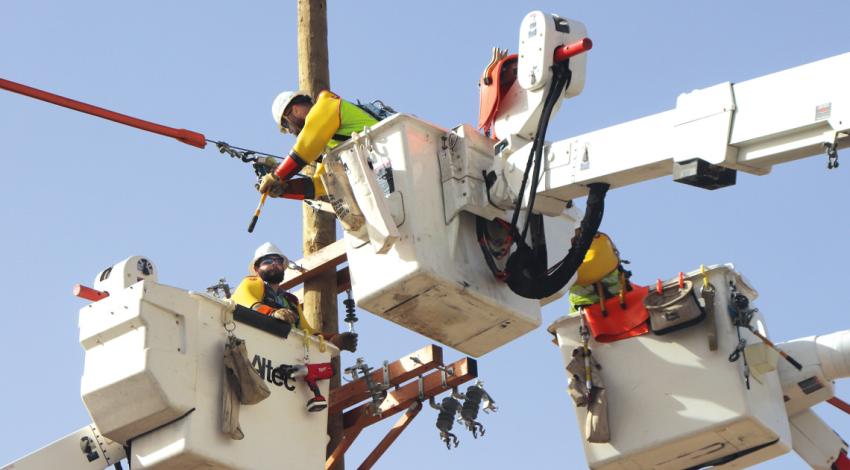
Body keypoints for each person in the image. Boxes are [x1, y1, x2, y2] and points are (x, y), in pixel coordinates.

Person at [232, 242, 358, 352]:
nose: (274, 264)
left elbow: (306, 331)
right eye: (268, 261)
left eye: (278, 261)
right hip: (257, 340)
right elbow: (247, 303)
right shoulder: (252, 283)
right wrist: (272, 313)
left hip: (284, 349)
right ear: (256, 269)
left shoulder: (290, 301)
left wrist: (333, 339)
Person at [257, 90, 379, 200]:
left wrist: (277, 175)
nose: (290, 132)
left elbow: (306, 146)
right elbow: (324, 183)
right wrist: (283, 189)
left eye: (286, 126)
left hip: (386, 151)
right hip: (382, 168)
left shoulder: (326, 105)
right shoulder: (328, 144)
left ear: (294, 110)